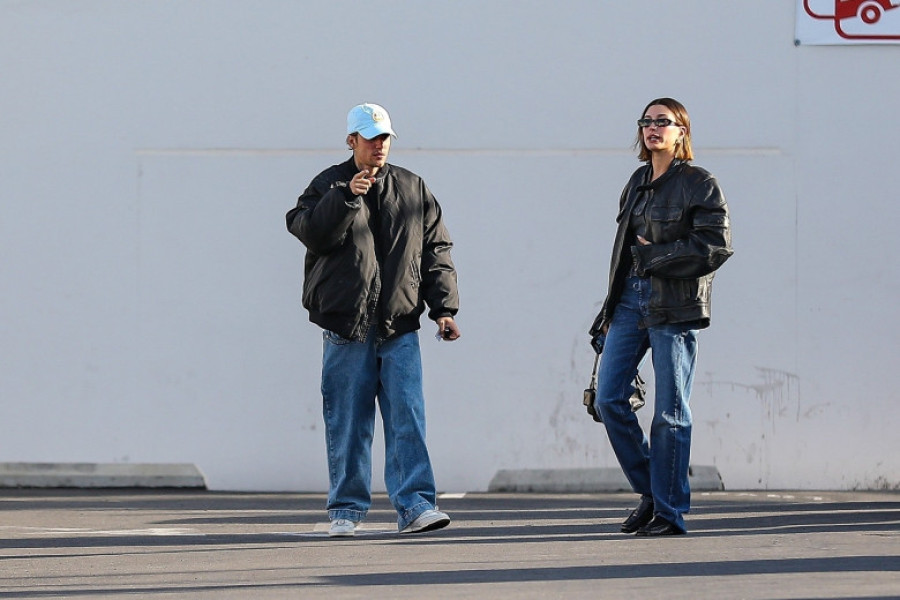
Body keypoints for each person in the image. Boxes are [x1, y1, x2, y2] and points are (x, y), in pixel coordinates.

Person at [285, 103, 460, 537]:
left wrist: (444, 310)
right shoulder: (328, 184)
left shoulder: (412, 186)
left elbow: (435, 250)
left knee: (408, 418)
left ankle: (416, 506)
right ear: (352, 141)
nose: (379, 145)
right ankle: (346, 510)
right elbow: (310, 232)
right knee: (348, 421)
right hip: (346, 326)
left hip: (399, 323)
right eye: (370, 137)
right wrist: (346, 197)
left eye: (385, 138)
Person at [588, 97, 732, 536]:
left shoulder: (699, 183)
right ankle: (652, 491)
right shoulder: (637, 181)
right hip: (630, 301)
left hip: (676, 303)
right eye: (647, 122)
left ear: (681, 131)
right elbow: (621, 253)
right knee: (609, 399)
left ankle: (669, 512)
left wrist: (658, 258)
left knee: (669, 411)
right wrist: (609, 309)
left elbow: (716, 246)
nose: (653, 128)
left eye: (663, 122)